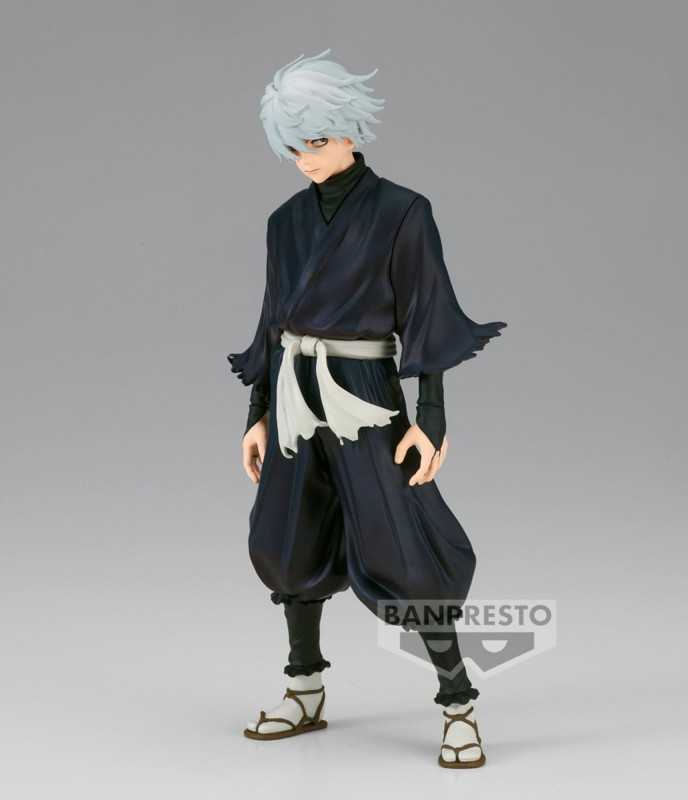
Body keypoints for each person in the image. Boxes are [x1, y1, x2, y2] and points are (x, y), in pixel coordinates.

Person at [227, 49, 506, 768]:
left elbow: (427, 314)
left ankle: (458, 704)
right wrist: (257, 409)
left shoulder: (402, 212)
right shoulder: (284, 221)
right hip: (292, 392)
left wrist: (430, 417)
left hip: (366, 393)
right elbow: (271, 319)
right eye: (293, 146)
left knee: (402, 540)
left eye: (316, 140)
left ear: (350, 128)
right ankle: (305, 689)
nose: (305, 158)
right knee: (287, 537)